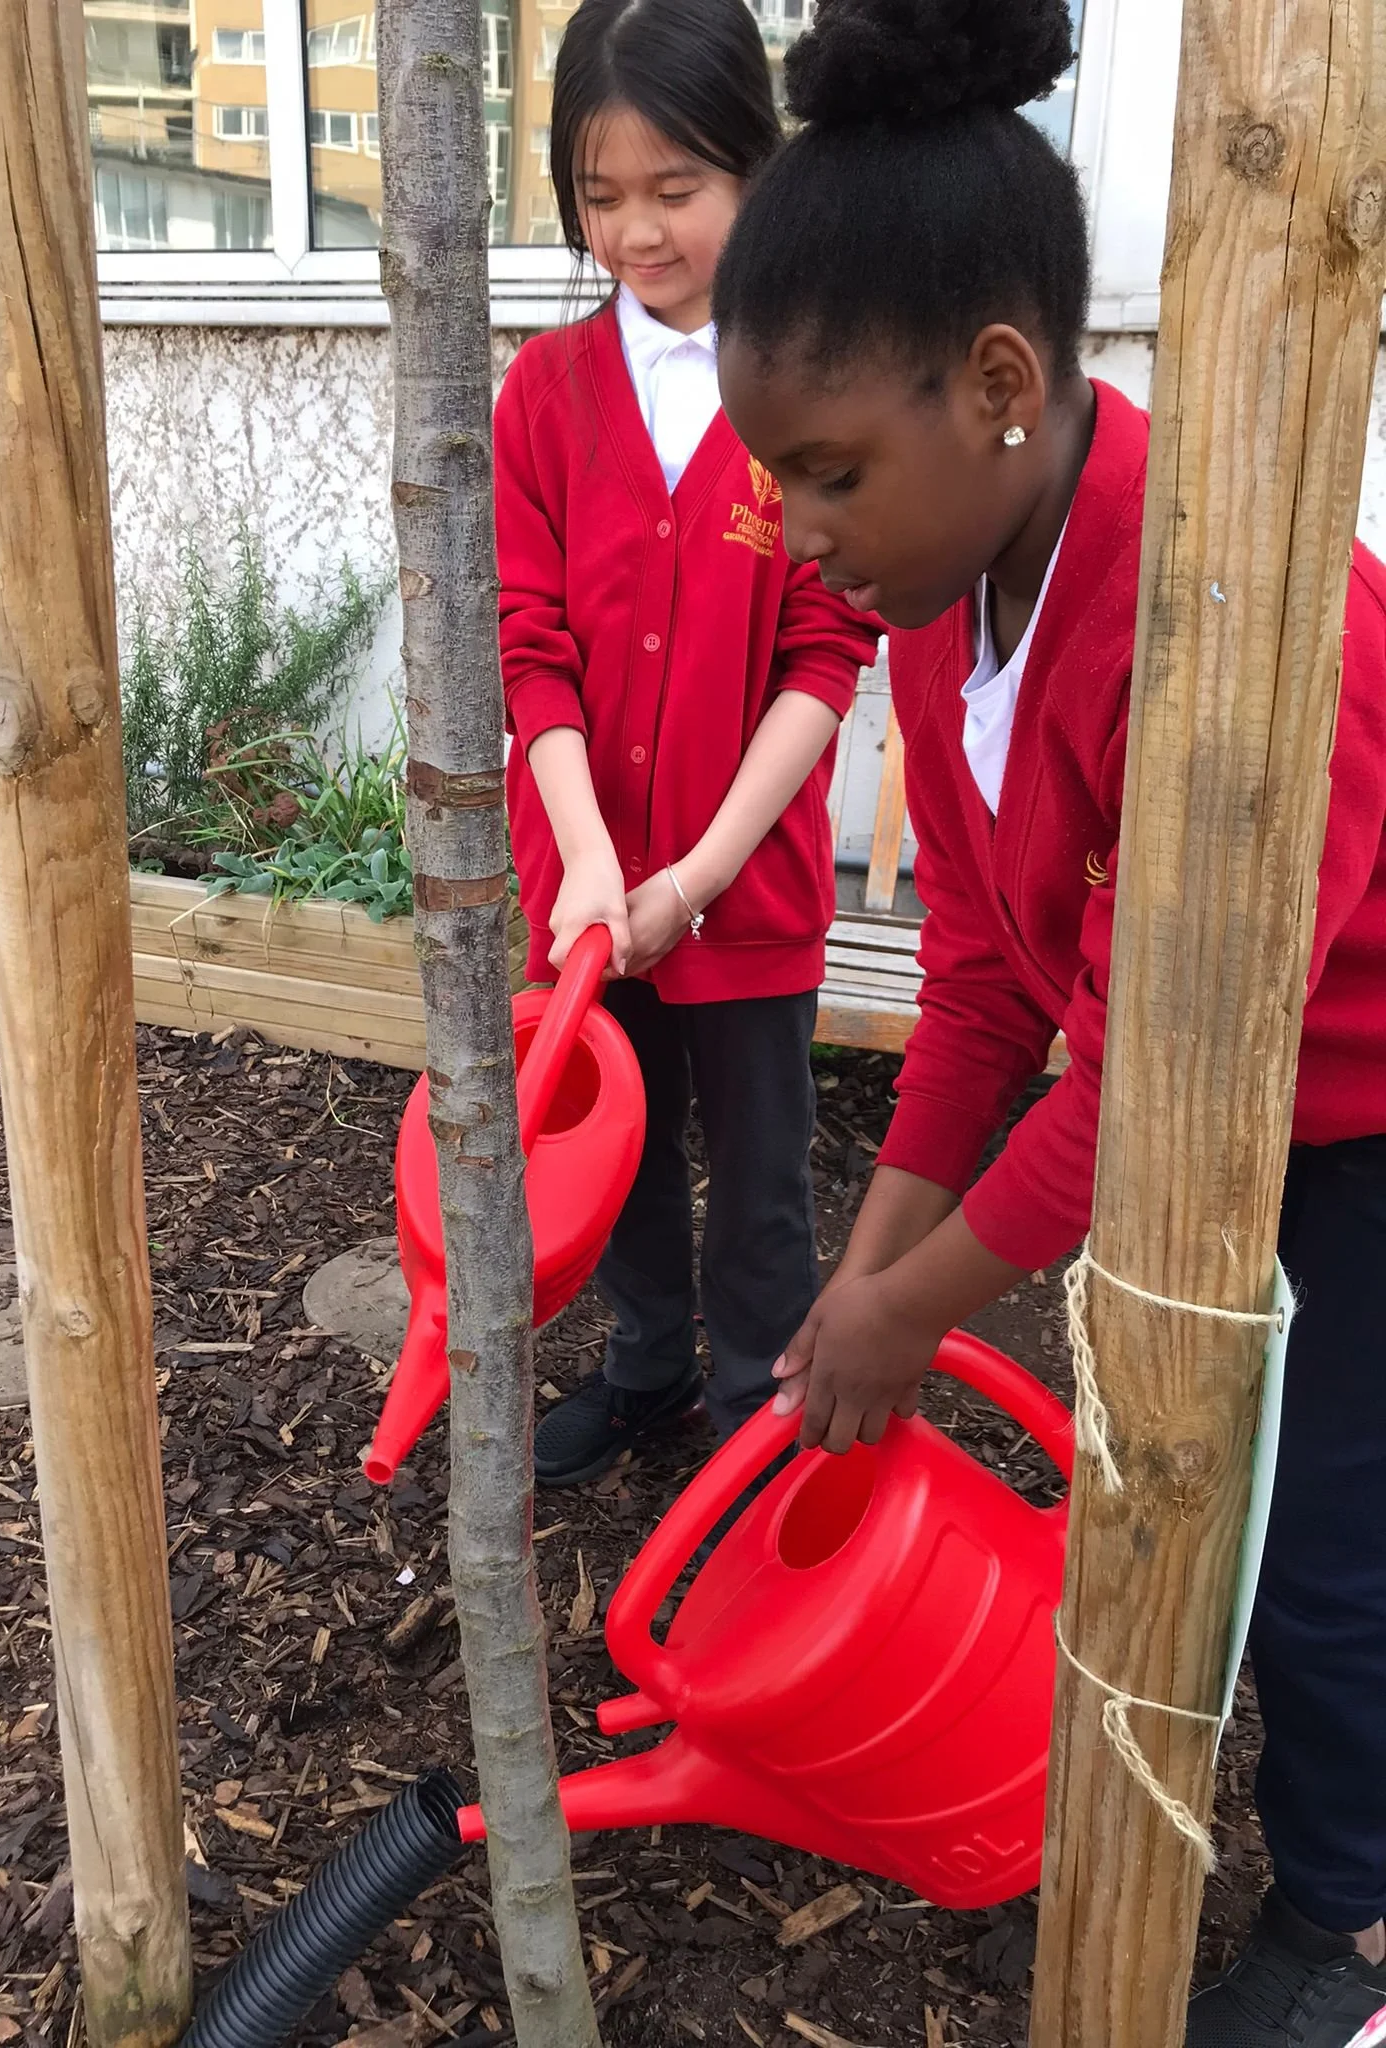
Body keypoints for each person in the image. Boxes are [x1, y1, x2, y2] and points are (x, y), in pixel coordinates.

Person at [710, 0, 1386, 2041]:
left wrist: (925, 1307)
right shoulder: (951, 604)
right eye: (774, 481)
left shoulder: (1231, 630)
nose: (799, 530)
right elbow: (995, 989)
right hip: (1204, 1113)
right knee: (1206, 1494)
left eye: (828, 472)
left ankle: (1359, 1923)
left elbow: (1162, 1062)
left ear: (998, 381)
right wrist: (871, 1262)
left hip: (1345, 1108)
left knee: (1326, 1520)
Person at [495, 0, 878, 1486]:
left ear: (754, 173)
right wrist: (597, 868)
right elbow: (531, 654)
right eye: (601, 197)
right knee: (625, 1164)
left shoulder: (810, 389)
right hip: (589, 896)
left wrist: (698, 875)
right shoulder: (543, 398)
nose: (637, 233)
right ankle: (648, 1370)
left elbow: (824, 656)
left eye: (677, 190)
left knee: (764, 1186)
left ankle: (748, 1425)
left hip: (751, 892)